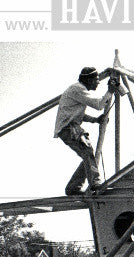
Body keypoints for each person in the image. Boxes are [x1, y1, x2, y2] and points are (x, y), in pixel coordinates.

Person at [53, 66, 117, 196]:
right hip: (69, 128)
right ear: (88, 80)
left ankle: (73, 188)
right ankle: (95, 183)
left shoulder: (77, 90)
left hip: (69, 127)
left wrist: (95, 120)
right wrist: (109, 91)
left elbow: (77, 114)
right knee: (87, 153)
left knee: (87, 156)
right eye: (96, 79)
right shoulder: (78, 89)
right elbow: (99, 105)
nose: (98, 82)